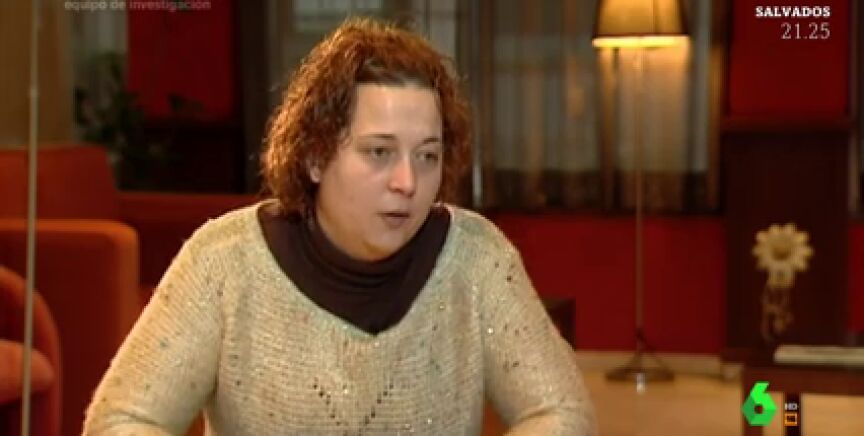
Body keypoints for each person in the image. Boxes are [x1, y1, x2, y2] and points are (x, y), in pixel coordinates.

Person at [83, 17, 596, 435]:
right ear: (314, 156)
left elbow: (563, 413)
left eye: (427, 156)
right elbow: (120, 421)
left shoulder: (477, 258)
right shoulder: (223, 261)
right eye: (379, 152)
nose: (408, 182)